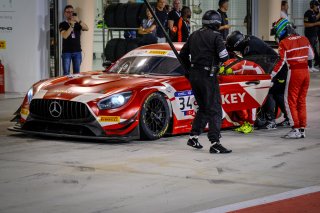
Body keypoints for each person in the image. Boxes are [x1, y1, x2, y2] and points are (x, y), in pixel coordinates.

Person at [179, 10, 232, 154]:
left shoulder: (194, 35)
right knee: (214, 108)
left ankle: (193, 136)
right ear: (216, 23)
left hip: (194, 75)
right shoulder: (217, 37)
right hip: (208, 76)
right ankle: (215, 143)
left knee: (203, 107)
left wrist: (188, 71)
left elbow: (182, 55)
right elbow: (224, 58)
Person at [225, 31, 285, 130]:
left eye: (234, 49)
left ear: (238, 44)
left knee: (268, 92)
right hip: (269, 69)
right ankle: (284, 118)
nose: (235, 51)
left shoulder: (250, 48)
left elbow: (249, 64)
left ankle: (271, 121)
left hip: (275, 70)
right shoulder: (246, 40)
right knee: (275, 93)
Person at [271, 18, 314, 139]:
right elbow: (311, 55)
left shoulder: (284, 43)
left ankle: (295, 128)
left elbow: (281, 61)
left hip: (294, 72)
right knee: (301, 101)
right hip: (306, 72)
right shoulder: (304, 39)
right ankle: (302, 129)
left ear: (282, 30)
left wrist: (271, 75)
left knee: (290, 101)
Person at [59, 5, 88, 76]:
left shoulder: (78, 23)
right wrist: (71, 26)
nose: (70, 13)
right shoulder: (62, 24)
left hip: (77, 52)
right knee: (66, 74)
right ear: (65, 13)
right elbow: (65, 36)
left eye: (72, 12)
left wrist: (78, 20)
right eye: (68, 12)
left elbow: (86, 28)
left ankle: (75, 87)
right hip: (66, 52)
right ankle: (66, 87)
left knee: (77, 74)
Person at [304, 0, 320, 72]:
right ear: (312, 6)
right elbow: (306, 24)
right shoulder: (307, 13)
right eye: (316, 5)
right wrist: (316, 23)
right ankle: (308, 66)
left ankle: (311, 66)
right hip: (309, 35)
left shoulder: (313, 13)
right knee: (309, 50)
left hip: (314, 34)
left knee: (312, 50)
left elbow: (314, 19)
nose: (317, 7)